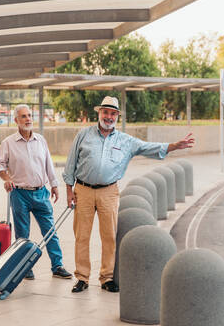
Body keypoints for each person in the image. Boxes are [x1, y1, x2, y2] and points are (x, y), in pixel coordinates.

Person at [63, 96, 195, 293]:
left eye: (112, 113)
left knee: (109, 236)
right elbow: (70, 163)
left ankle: (106, 278)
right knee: (82, 236)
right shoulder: (83, 135)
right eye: (105, 112)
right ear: (99, 113)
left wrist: (175, 145)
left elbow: (149, 148)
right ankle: (82, 277)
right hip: (83, 190)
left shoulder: (126, 141)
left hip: (109, 192)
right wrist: (69, 191)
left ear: (117, 116)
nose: (108, 116)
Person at [0, 104, 72, 280]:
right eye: (23, 116)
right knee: (23, 235)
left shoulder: (41, 140)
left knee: (50, 230)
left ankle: (57, 265)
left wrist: (54, 185)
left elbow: (48, 164)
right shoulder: (8, 143)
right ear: (16, 120)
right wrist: (7, 179)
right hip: (19, 194)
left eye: (29, 115)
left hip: (41, 192)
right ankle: (24, 268)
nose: (28, 119)